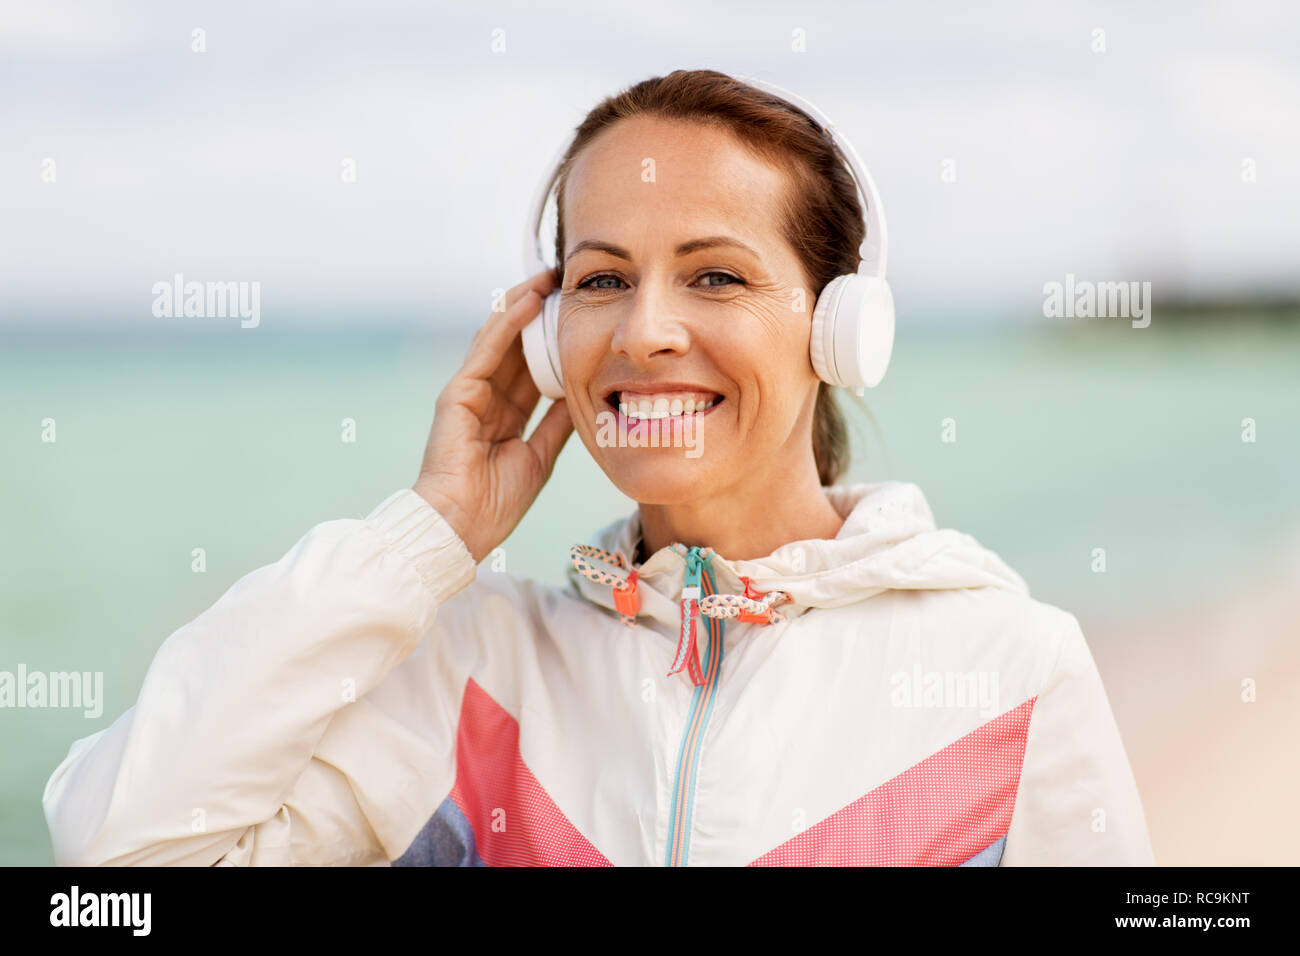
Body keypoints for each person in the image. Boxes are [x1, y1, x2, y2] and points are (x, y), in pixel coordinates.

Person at [43, 69, 1154, 866]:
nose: (645, 332)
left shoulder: (1011, 665)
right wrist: (424, 539)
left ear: (840, 328)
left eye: (715, 276)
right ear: (542, 336)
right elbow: (117, 854)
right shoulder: (475, 662)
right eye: (602, 278)